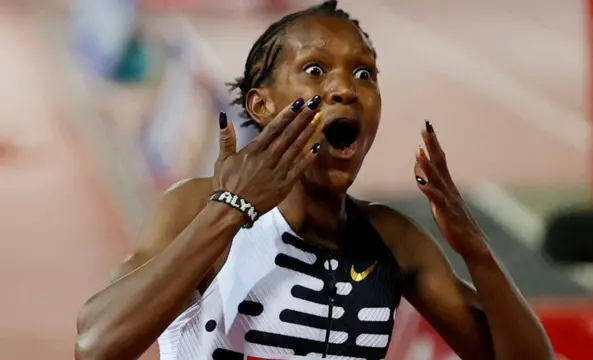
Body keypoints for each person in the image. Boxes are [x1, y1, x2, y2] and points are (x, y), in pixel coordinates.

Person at [74, 1, 552, 359]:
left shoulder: (393, 242)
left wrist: (478, 253)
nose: (345, 89)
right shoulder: (199, 208)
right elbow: (95, 345)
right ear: (261, 105)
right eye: (315, 70)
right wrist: (229, 208)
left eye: (364, 73)